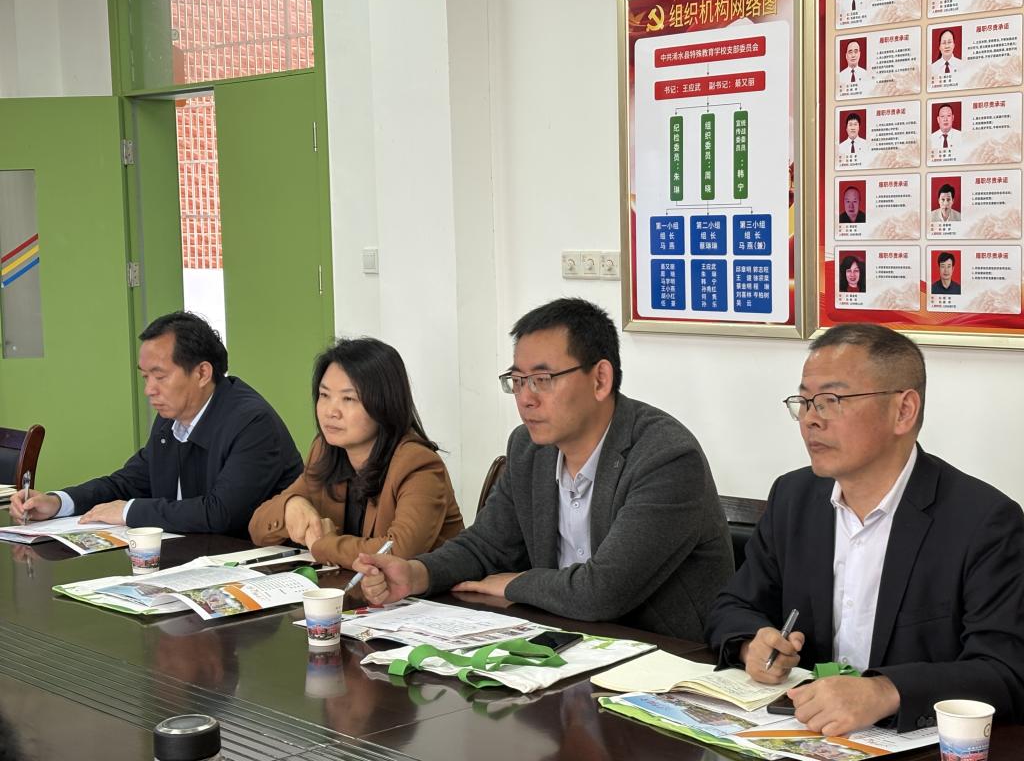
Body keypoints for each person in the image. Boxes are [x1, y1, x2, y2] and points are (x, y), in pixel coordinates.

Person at [706, 324, 1024, 735]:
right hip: (803, 732)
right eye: (804, 402)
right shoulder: (793, 497)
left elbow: (1005, 671)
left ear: (903, 410)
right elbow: (731, 605)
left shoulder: (983, 521)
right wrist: (752, 643)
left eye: (831, 401)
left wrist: (886, 691)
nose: (810, 420)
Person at [353, 298, 734, 640]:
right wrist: (417, 573)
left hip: (664, 658)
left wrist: (516, 584)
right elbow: (488, 545)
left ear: (600, 379)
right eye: (517, 381)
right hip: (563, 642)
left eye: (541, 380)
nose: (525, 398)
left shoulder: (665, 457)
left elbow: (603, 592)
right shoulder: (529, 448)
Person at [10, 311, 303, 535]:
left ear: (202, 373)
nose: (149, 389)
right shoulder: (171, 419)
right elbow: (129, 481)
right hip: (193, 558)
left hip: (256, 568)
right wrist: (58, 502)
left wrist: (129, 512)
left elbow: (221, 513)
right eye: (145, 377)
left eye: (160, 376)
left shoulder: (252, 423)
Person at [248, 337, 464, 568]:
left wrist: (322, 544)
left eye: (349, 399)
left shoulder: (418, 463)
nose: (331, 411)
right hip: (354, 585)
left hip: (430, 590)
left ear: (383, 404)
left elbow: (397, 551)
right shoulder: (325, 450)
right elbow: (257, 528)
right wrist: (291, 506)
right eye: (324, 395)